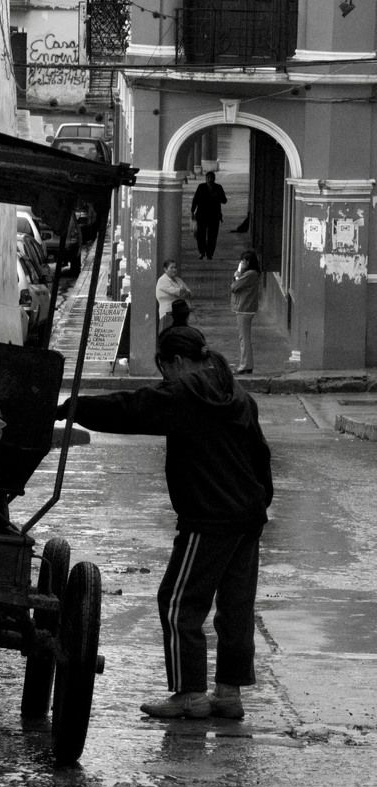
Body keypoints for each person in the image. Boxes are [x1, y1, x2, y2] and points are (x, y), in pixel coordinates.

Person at [55, 325, 273, 719]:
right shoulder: (237, 395)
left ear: (175, 362)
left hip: (209, 518)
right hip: (246, 518)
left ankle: (190, 694)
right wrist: (258, 507)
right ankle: (228, 693)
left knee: (177, 603)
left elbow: (131, 407)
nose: (163, 382)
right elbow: (261, 456)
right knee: (235, 607)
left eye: (164, 371)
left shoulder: (187, 393)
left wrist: (76, 408)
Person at [231, 250, 261, 375]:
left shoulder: (250, 274)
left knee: (244, 338)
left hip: (244, 308)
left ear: (248, 262)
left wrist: (238, 273)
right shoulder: (252, 274)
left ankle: (245, 365)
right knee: (244, 337)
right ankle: (246, 363)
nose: (242, 263)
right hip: (245, 307)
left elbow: (235, 286)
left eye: (243, 261)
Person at [191, 171, 228, 260]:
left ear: (214, 179)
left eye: (211, 178)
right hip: (201, 215)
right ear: (206, 179)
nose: (210, 180)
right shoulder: (201, 187)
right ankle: (202, 252)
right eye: (208, 178)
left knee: (212, 236)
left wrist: (217, 196)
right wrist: (192, 212)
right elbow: (195, 200)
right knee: (200, 235)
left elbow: (224, 200)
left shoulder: (218, 188)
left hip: (214, 216)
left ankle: (209, 253)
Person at [154, 259, 192, 331]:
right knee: (168, 334)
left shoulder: (178, 280)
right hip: (168, 314)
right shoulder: (162, 280)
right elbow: (176, 292)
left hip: (180, 314)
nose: (174, 270)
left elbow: (189, 292)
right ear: (165, 269)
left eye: (175, 267)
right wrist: (182, 291)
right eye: (171, 268)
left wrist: (184, 291)